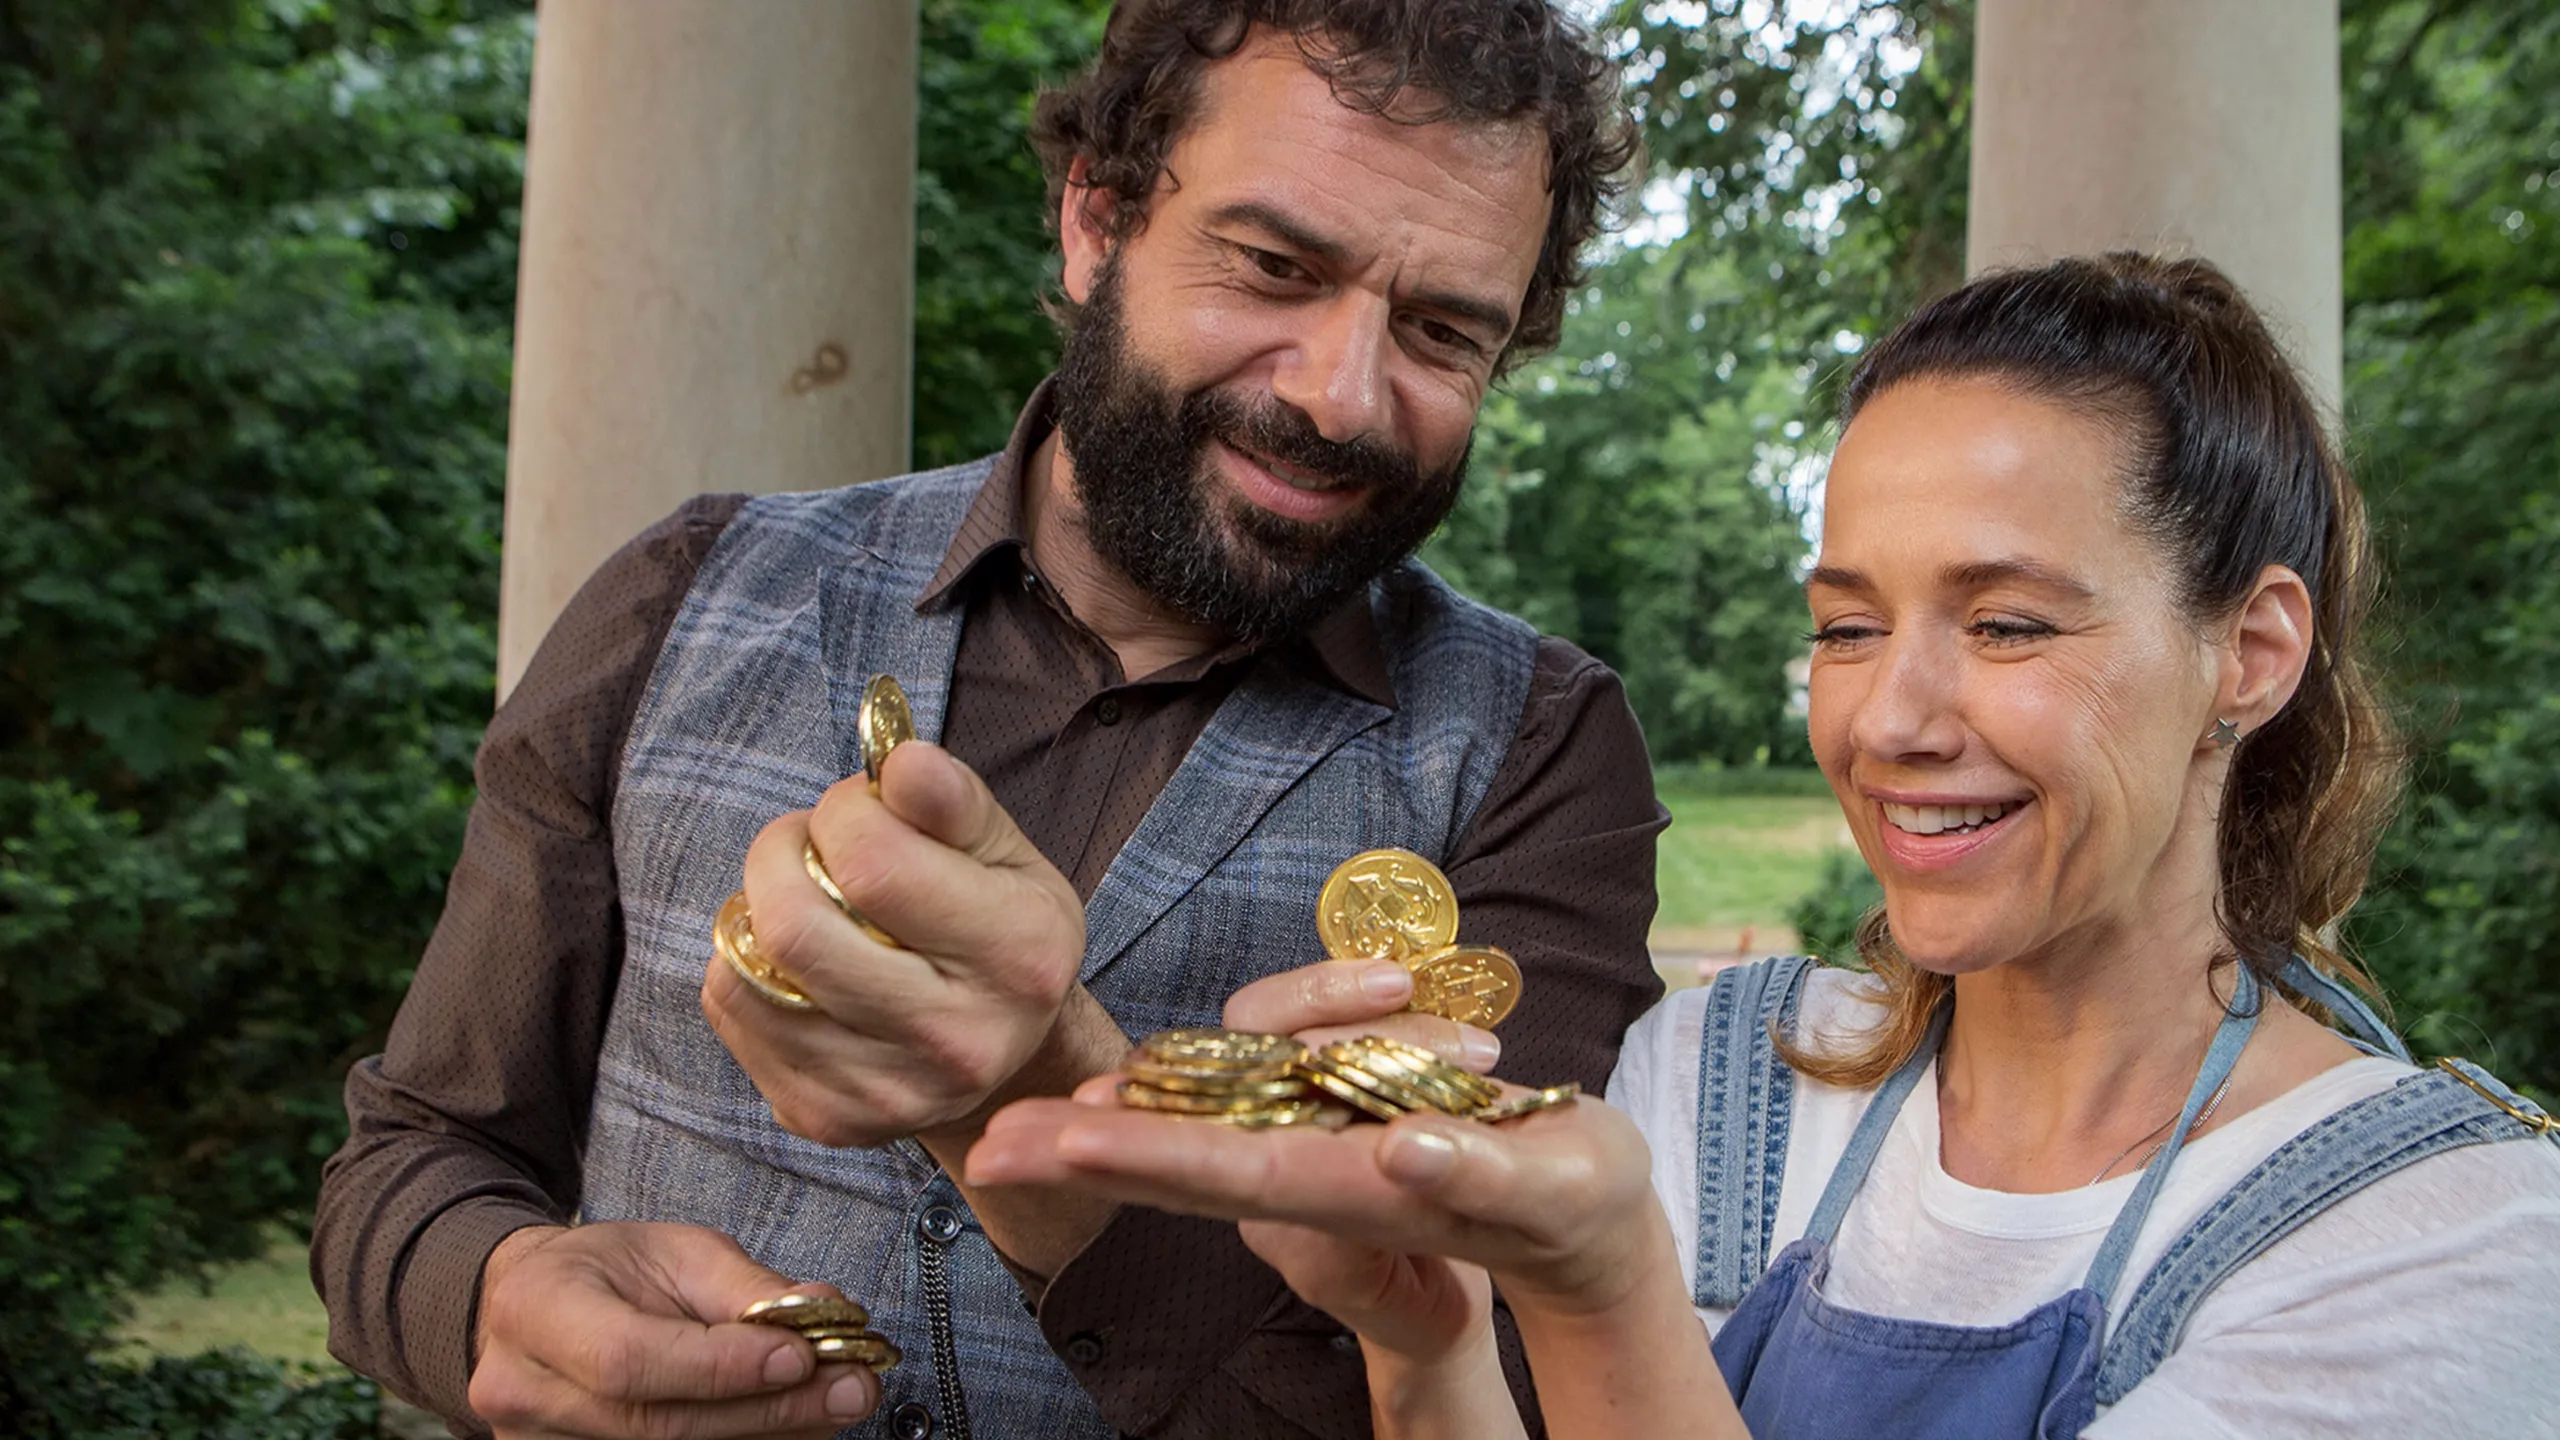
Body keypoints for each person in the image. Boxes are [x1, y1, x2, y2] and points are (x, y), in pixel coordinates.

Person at [311, 3, 1665, 1437]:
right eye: (1274, 266)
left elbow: (1494, 1386)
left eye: (1443, 331)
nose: (1339, 397)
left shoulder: (1542, 752)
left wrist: (1052, 1096)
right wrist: (491, 1297)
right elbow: (413, 1155)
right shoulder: (680, 596)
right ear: (1096, 220)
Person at [969, 253, 2560, 1439]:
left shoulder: (2450, 1238)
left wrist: (1602, 1302)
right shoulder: (1723, 1066)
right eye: (1847, 626)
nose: (1891, 721)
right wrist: (1426, 1346)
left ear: (2254, 654)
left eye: (2005, 623)